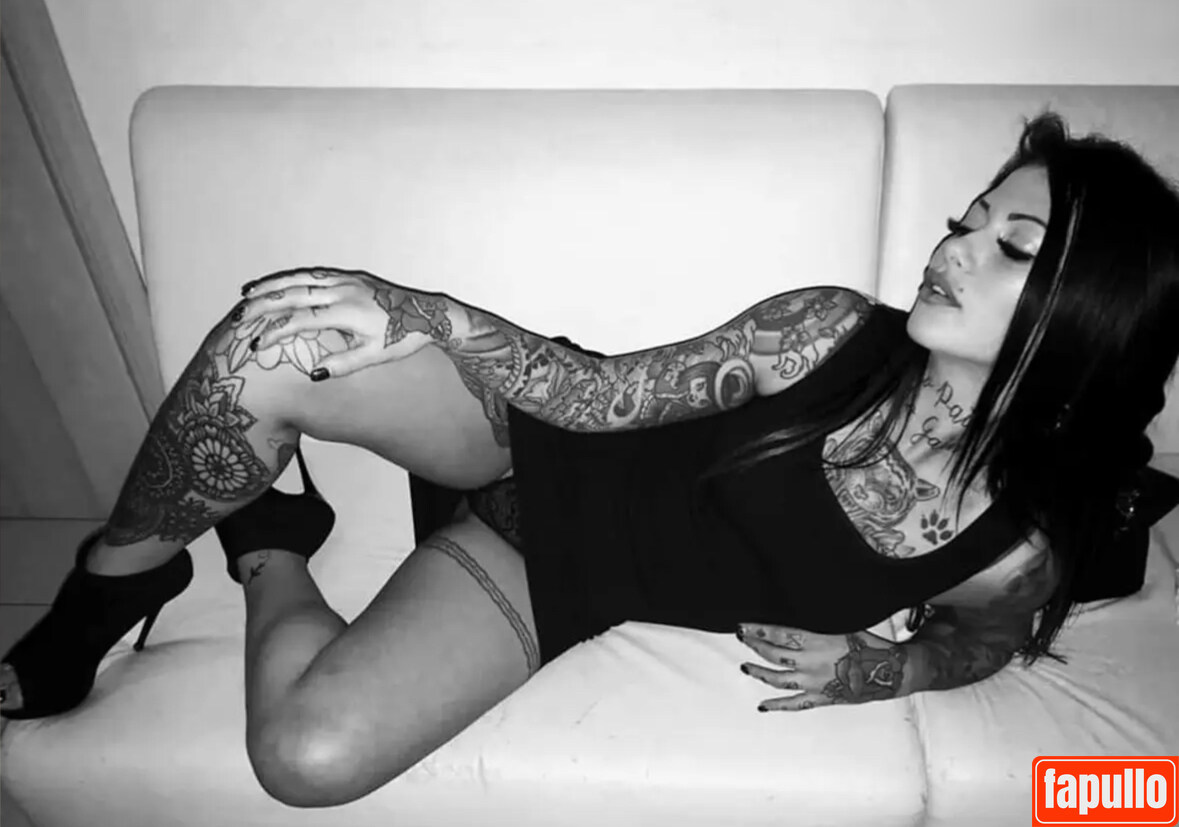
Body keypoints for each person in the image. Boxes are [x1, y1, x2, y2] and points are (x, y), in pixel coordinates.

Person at [2, 112, 1177, 808]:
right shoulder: (826, 330)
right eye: (968, 217)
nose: (952, 245)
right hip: (549, 433)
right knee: (265, 352)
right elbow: (601, 396)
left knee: (305, 757)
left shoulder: (1018, 544)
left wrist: (875, 669)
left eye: (1010, 243)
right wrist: (418, 311)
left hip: (554, 566)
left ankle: (270, 540)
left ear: (1088, 314)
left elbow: (982, 638)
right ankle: (108, 589)